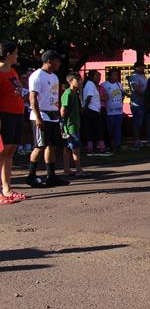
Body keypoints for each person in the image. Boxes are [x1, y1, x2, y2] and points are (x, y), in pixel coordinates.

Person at [26, 50, 69, 188]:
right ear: (50, 61)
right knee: (40, 146)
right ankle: (31, 175)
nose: (60, 63)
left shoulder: (55, 77)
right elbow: (32, 98)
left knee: (52, 146)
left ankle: (51, 176)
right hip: (41, 115)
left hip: (53, 115)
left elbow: (55, 96)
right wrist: (38, 117)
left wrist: (59, 108)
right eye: (57, 60)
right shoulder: (37, 76)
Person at [0, 42, 28, 203]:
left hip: (17, 114)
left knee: (10, 152)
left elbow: (17, 90)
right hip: (5, 116)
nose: (17, 56)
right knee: (1, 153)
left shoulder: (13, 71)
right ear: (8, 54)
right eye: (16, 53)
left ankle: (7, 189)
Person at [60, 72, 86, 177]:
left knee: (67, 147)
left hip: (74, 124)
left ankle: (67, 169)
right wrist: (63, 126)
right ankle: (78, 169)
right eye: (78, 80)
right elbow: (63, 110)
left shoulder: (75, 93)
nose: (80, 82)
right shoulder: (68, 93)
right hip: (70, 126)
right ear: (71, 81)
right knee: (75, 147)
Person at [81, 70, 108, 155]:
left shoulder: (90, 84)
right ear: (92, 76)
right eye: (96, 76)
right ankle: (99, 147)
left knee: (93, 129)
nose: (98, 78)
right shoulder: (90, 84)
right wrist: (85, 107)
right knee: (97, 129)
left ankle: (92, 147)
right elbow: (89, 97)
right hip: (92, 110)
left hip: (94, 109)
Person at [102, 68, 125, 151]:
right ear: (110, 75)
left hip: (119, 111)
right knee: (109, 129)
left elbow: (122, 95)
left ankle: (118, 145)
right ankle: (108, 144)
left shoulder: (119, 84)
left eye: (117, 75)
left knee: (118, 129)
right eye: (114, 74)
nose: (116, 76)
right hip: (109, 112)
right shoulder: (104, 85)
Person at [128, 62, 148, 148]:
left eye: (143, 67)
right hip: (137, 102)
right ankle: (136, 140)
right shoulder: (134, 76)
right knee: (137, 122)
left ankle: (140, 139)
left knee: (142, 121)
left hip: (143, 102)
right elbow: (136, 88)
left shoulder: (143, 76)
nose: (143, 68)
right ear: (136, 67)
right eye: (141, 67)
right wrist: (147, 94)